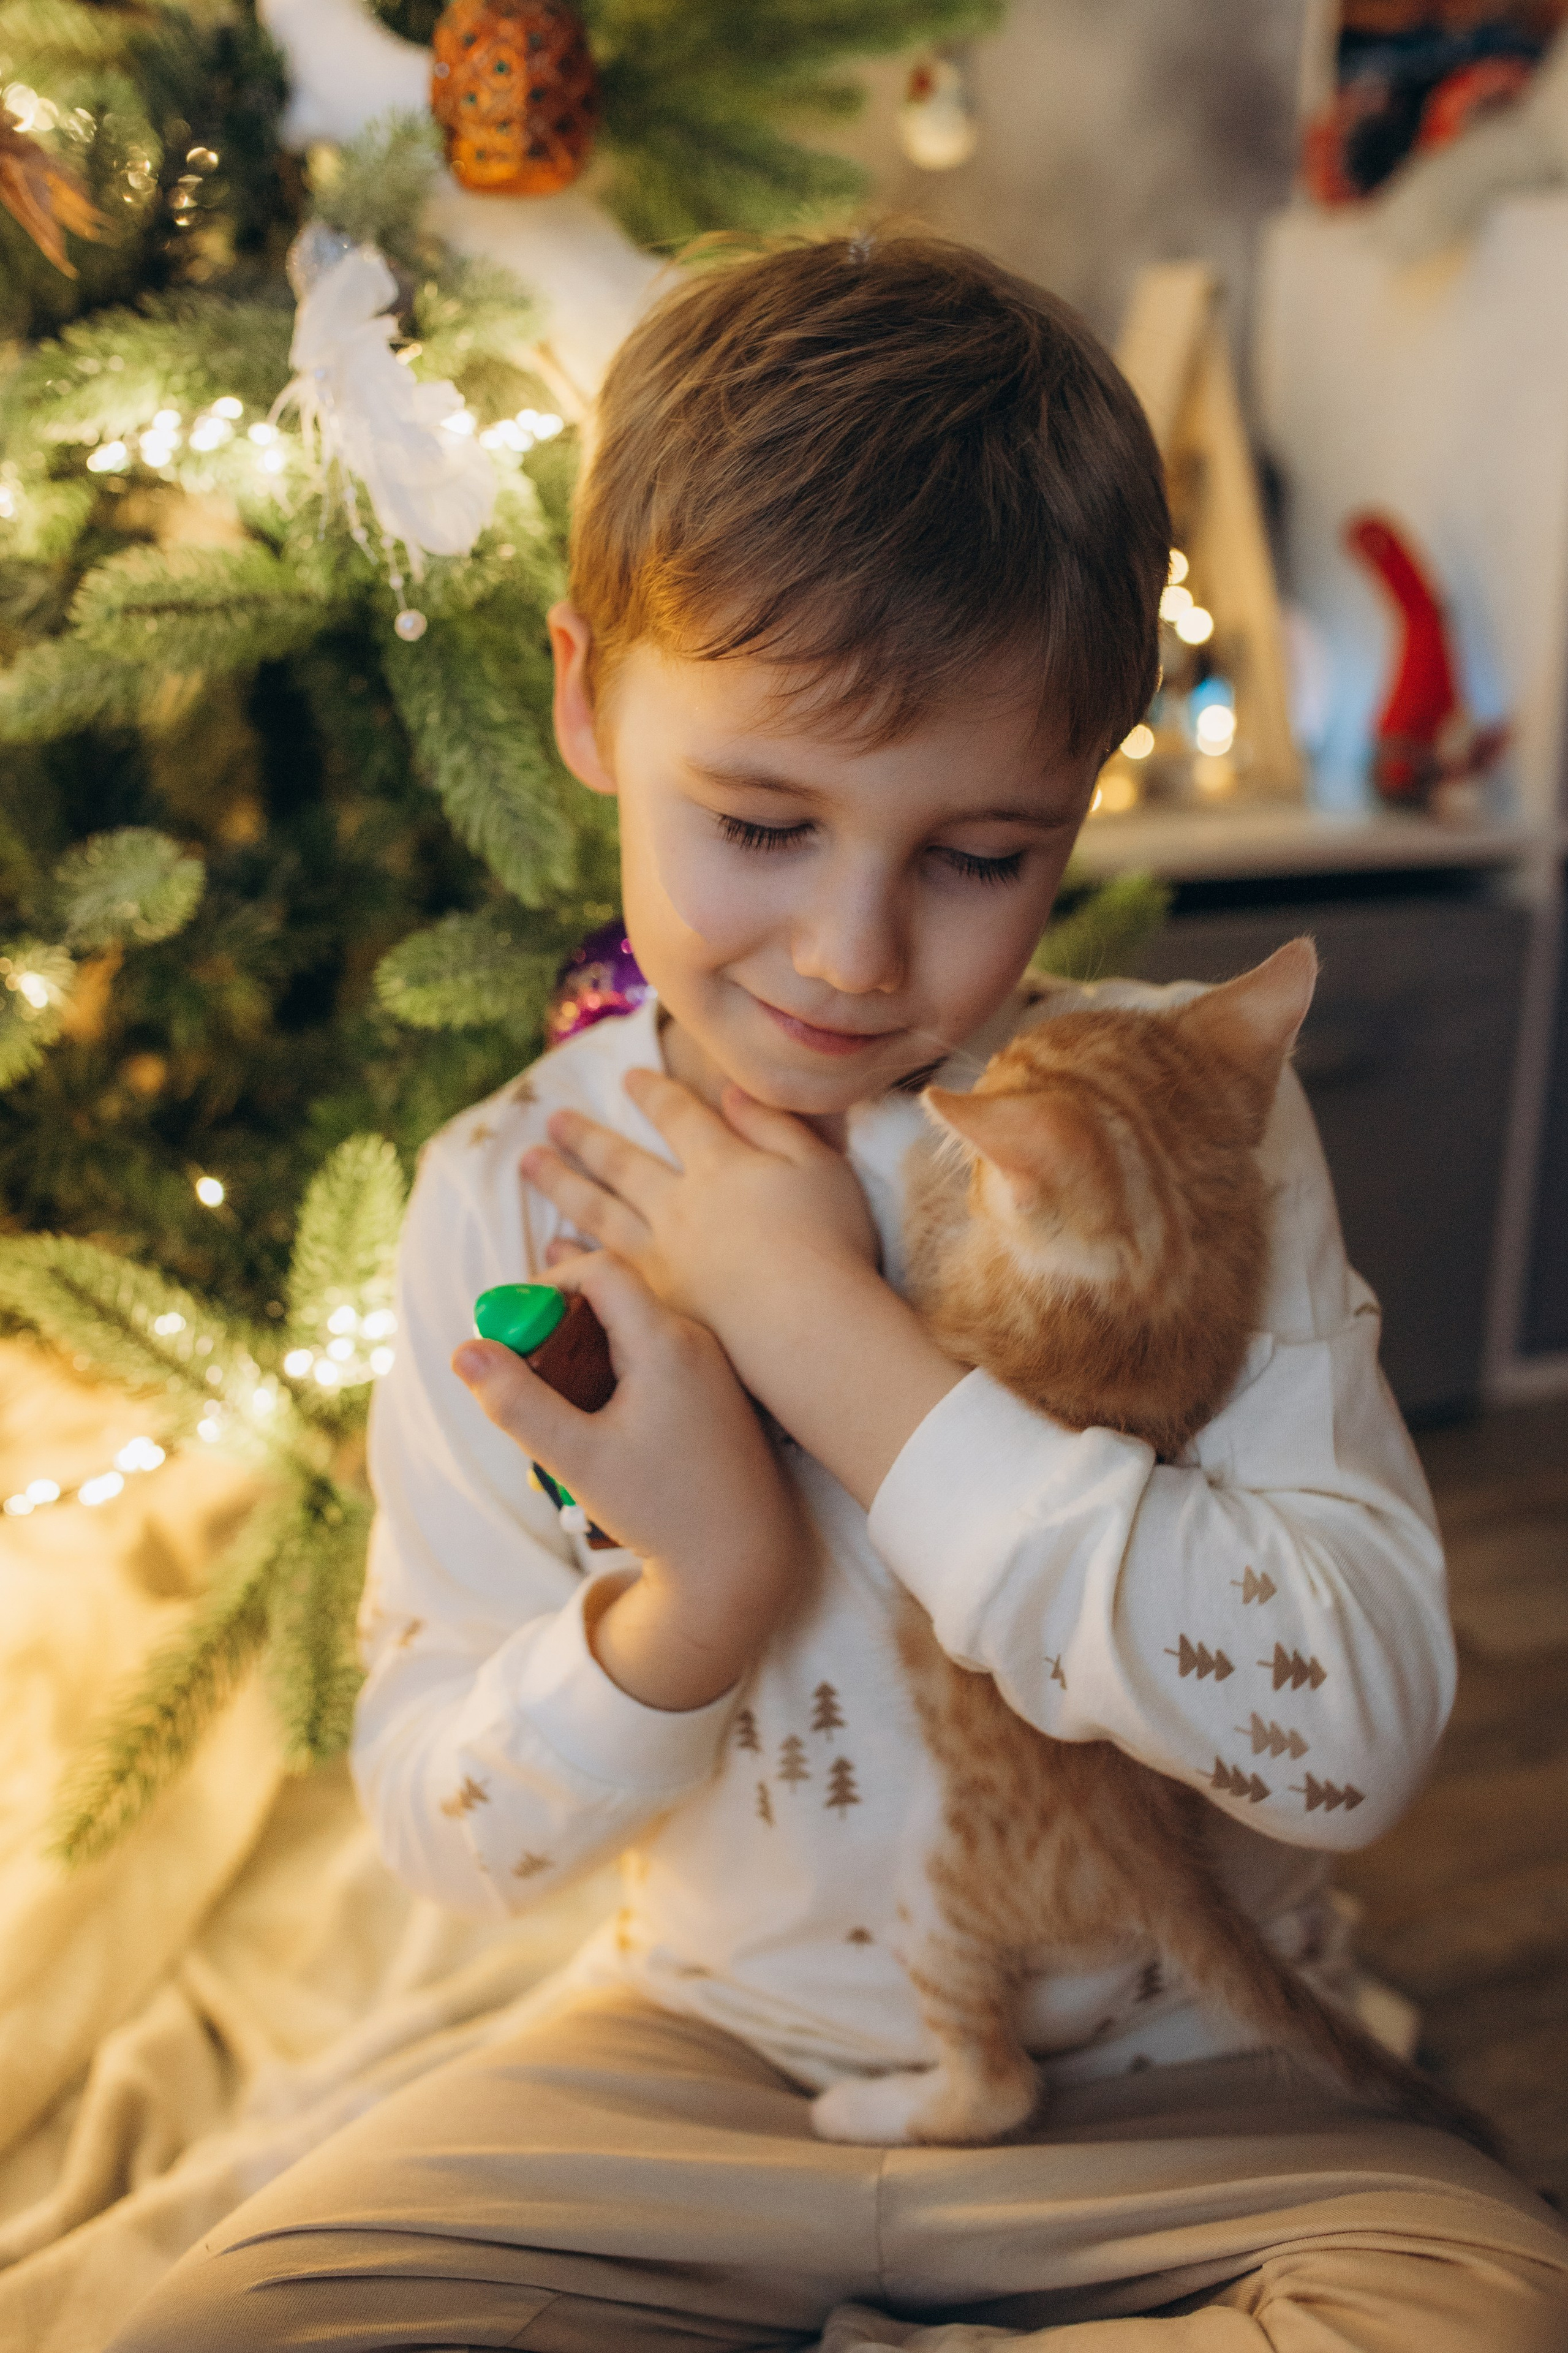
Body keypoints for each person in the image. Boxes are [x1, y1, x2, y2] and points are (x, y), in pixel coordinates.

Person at [110, 231, 1568, 2352]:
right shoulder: (510, 1196)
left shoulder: (1187, 1118)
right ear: (593, 699)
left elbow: (1346, 1741)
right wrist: (690, 1593)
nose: (854, 956)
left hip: (1197, 2084)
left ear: (1078, 800)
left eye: (979, 855)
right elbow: (446, 1832)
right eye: (763, 821)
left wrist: (831, 1347)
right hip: (697, 2068)